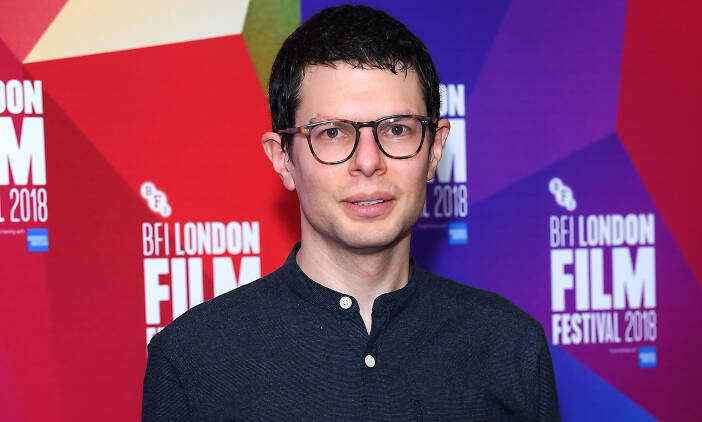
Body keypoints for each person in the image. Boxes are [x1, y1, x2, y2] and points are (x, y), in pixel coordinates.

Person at [142, 5, 560, 421]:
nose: (367, 161)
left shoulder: (510, 346)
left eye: (397, 128)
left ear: (434, 149)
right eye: (333, 133)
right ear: (283, 159)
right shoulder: (193, 359)